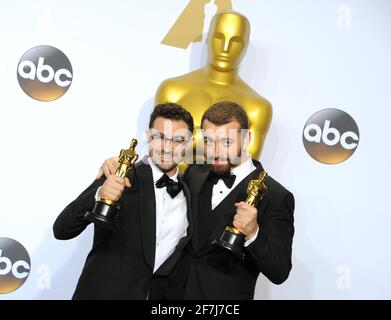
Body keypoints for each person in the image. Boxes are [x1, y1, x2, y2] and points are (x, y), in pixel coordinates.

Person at [100, 101, 294, 300]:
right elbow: (159, 169)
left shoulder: (276, 196)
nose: (216, 152)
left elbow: (280, 271)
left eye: (227, 142)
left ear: (246, 139)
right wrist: (116, 164)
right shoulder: (194, 173)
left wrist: (254, 234)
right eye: (209, 141)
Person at [53, 103, 194, 299]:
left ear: (188, 143)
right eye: (160, 137)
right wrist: (99, 194)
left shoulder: (189, 191)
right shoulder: (120, 173)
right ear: (148, 136)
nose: (167, 147)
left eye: (177, 140)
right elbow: (61, 229)